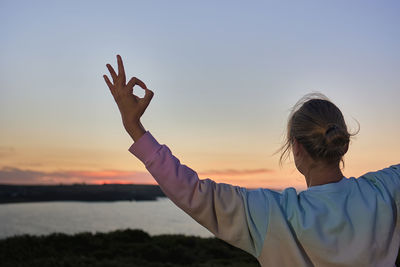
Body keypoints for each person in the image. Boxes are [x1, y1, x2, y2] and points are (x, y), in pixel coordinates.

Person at [103, 55, 400, 267]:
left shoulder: (271, 214)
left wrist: (134, 127)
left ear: (295, 147)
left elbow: (191, 192)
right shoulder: (385, 190)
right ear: (341, 142)